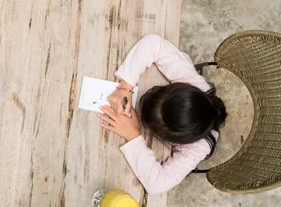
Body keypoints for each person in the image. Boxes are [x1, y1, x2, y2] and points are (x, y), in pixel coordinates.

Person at [97, 34, 228, 195]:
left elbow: (157, 186)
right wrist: (126, 85)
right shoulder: (194, 84)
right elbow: (153, 44)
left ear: (173, 140)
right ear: (183, 85)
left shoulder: (197, 148)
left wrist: (133, 135)